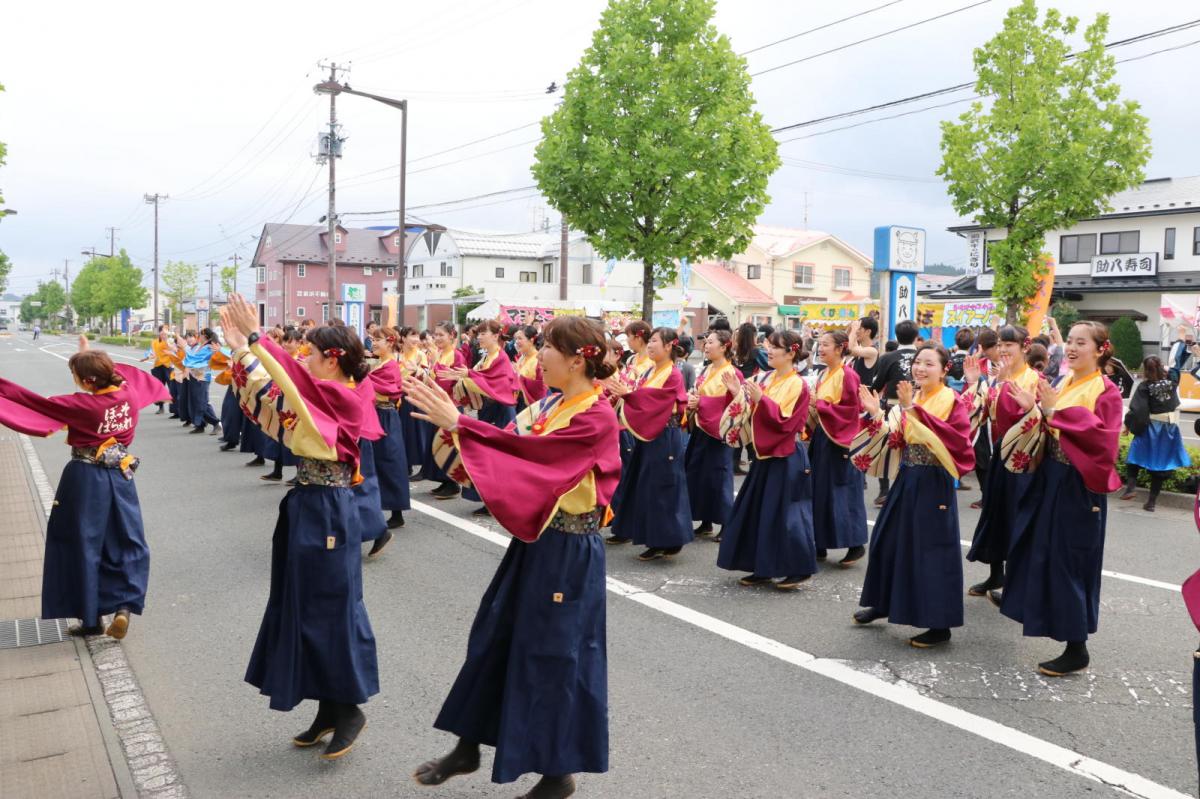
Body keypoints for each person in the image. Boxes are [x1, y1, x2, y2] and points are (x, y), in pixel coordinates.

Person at [407, 316, 620, 799]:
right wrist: (460, 430)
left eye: (548, 347)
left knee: (553, 658)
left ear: (576, 359)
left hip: (569, 554)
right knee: (495, 638)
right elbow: (510, 444)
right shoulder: (550, 404)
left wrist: (462, 424)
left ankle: (557, 775)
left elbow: (533, 457)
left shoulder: (596, 416)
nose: (539, 355)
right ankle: (467, 746)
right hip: (537, 544)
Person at [220, 294, 379, 760]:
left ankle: (348, 707)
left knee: (329, 607)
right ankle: (328, 706)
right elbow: (274, 390)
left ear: (333, 360)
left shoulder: (341, 395)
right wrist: (243, 350)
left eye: (312, 353)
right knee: (303, 604)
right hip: (309, 502)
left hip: (328, 507)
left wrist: (256, 338)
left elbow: (290, 380)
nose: (305, 360)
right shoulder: (322, 393)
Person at [0, 336, 167, 640]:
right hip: (121, 476)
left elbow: (29, 401)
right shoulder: (127, 394)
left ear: (87, 381)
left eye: (76, 375)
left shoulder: (82, 406)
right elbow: (119, 375)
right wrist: (89, 356)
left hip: (85, 478)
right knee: (127, 540)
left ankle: (91, 620)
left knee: (82, 544)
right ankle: (124, 605)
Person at [996, 321, 1122, 676]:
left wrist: (1053, 413)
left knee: (1070, 560)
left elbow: (1105, 442)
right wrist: (1034, 409)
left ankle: (1077, 646)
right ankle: (1045, 618)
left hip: (1078, 482)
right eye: (1069, 341)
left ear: (1100, 349)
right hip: (1051, 475)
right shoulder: (1065, 381)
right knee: (1042, 551)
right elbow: (1050, 424)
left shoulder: (1106, 391)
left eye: (1081, 342)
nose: (1072, 347)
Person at [851, 344, 975, 648]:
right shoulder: (914, 397)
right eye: (918, 362)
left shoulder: (951, 400)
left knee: (931, 549)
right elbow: (895, 437)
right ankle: (883, 601)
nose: (920, 368)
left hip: (934, 480)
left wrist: (910, 410)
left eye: (929, 364)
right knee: (888, 539)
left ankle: (940, 624)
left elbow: (955, 441)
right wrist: (875, 413)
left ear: (944, 370)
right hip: (907, 476)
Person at [716, 329, 818, 590]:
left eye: (775, 347)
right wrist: (737, 393)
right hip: (765, 453)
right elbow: (747, 408)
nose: (768, 350)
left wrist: (762, 400)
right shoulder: (765, 377)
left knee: (788, 513)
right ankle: (762, 566)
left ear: (791, 353)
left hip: (786, 454)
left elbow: (785, 420)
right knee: (759, 510)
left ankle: (798, 568)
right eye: (768, 345)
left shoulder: (797, 383)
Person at [961, 326, 1040, 599]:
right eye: (1000, 344)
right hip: (999, 454)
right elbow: (975, 413)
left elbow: (1034, 421)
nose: (1003, 349)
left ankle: (1017, 582)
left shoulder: (1034, 379)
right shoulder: (997, 379)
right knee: (996, 515)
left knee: (1018, 519)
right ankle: (996, 573)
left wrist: (1003, 385)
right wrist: (974, 383)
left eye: (1009, 344)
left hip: (1024, 459)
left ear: (1025, 346)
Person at [604, 327, 693, 560]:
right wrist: (621, 392)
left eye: (654, 341)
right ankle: (656, 538)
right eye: (650, 341)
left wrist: (629, 394)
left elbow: (656, 402)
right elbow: (640, 397)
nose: (650, 345)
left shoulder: (673, 374)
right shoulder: (651, 371)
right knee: (649, 486)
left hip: (665, 435)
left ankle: (668, 539)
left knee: (664, 487)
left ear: (668, 346)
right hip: (650, 435)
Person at [807, 331, 868, 567]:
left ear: (840, 348)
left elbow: (852, 411)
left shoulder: (848, 374)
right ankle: (819, 542)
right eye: (819, 344)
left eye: (825, 344)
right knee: (819, 490)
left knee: (843, 492)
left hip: (842, 438)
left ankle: (855, 544)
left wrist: (821, 405)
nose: (820, 349)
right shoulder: (824, 373)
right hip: (824, 436)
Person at [446, 319, 518, 517]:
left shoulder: (500, 358)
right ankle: (491, 501)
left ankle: (500, 502)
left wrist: (468, 374)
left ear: (495, 336)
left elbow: (498, 384)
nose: (479, 337)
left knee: (497, 459)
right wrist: (464, 376)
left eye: (483, 333)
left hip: (500, 411)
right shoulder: (487, 356)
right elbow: (483, 379)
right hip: (488, 409)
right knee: (487, 458)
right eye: (478, 334)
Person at [684, 329, 741, 540]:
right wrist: (693, 398)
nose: (706, 346)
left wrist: (702, 402)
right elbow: (699, 393)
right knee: (699, 474)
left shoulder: (732, 373)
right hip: (702, 427)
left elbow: (734, 403)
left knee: (719, 476)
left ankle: (727, 523)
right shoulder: (707, 369)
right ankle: (705, 520)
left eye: (711, 342)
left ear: (724, 346)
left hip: (719, 431)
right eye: (706, 342)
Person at [1122, 355, 1188, 512]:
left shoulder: (1144, 387)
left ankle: (1130, 488)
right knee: (1161, 466)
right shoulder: (1172, 382)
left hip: (1150, 427)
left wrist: (1128, 425)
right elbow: (1175, 369)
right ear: (1161, 367)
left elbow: (1137, 410)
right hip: (1169, 429)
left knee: (1134, 458)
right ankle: (1151, 503)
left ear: (1145, 369)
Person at [365, 326, 412, 546]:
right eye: (373, 339)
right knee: (377, 461)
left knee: (390, 461)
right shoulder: (381, 363)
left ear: (390, 342)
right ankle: (383, 508)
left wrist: (364, 378)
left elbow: (389, 389)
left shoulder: (391, 365)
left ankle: (397, 512)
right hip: (376, 413)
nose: (374, 343)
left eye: (379, 340)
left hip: (386, 415)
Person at [869, 319, 920, 506]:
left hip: (892, 407)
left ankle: (884, 491)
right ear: (916, 336)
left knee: (886, 446)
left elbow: (877, 384)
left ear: (897, 336)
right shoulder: (924, 355)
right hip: (919, 407)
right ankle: (910, 489)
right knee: (915, 447)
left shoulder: (888, 357)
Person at [424, 321, 469, 499]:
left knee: (450, 445)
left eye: (441, 335)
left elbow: (448, 382)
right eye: (435, 335)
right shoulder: (441, 353)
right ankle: (444, 480)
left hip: (451, 405)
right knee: (439, 443)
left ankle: (452, 483)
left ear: (452, 336)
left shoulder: (457, 356)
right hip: (439, 404)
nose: (437, 338)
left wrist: (435, 364)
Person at [966, 328, 1000, 508]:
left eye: (989, 348)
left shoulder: (1009, 364)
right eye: (984, 349)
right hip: (981, 419)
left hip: (1000, 419)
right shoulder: (980, 364)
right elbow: (970, 388)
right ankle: (986, 495)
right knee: (981, 458)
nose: (987, 352)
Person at [179, 328, 221, 435]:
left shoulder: (208, 347)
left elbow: (194, 359)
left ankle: (216, 423)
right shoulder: (200, 346)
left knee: (201, 402)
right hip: (195, 376)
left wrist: (184, 347)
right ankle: (200, 425)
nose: (198, 336)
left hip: (202, 378)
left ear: (205, 336)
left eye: (200, 335)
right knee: (194, 402)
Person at [141, 324, 174, 415]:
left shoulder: (170, 341)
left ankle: (175, 408)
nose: (164, 333)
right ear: (159, 332)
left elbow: (175, 351)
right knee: (159, 387)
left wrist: (167, 341)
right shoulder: (154, 342)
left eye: (166, 331)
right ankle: (161, 407)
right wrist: (146, 358)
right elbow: (151, 352)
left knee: (172, 387)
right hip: (158, 366)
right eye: (163, 331)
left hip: (168, 366)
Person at [513, 324, 547, 413]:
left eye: (520, 338)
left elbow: (540, 389)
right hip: (518, 403)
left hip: (530, 407)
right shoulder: (522, 357)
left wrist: (519, 376)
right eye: (516, 339)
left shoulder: (538, 360)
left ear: (531, 340)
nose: (516, 342)